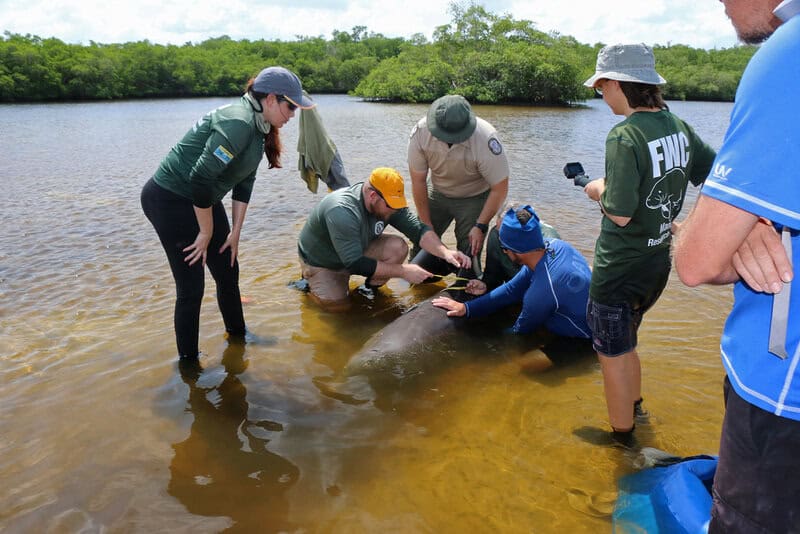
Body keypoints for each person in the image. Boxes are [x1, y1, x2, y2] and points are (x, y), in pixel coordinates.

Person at [674, 1, 800, 530]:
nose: (720, 3)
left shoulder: (789, 53)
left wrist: (729, 224)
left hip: (781, 395)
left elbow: (696, 262)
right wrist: (755, 218)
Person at [580, 44, 717, 444]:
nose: (600, 95)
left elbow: (619, 213)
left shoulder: (624, 136)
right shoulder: (677, 126)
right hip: (656, 265)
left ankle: (622, 440)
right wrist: (690, 225)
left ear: (616, 84)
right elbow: (715, 174)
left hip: (618, 269)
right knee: (627, 342)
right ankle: (636, 408)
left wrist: (596, 188)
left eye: (601, 87)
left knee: (611, 356)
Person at [141, 66, 314, 361]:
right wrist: (206, 232)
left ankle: (238, 338)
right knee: (191, 287)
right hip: (170, 199)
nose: (292, 115)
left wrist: (235, 233)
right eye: (291, 107)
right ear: (271, 99)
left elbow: (244, 183)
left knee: (228, 269)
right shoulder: (238, 122)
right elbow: (199, 178)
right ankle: (189, 365)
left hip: (202, 198)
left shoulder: (259, 127)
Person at [297, 167, 471, 311]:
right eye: (391, 205)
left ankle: (368, 290)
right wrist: (403, 271)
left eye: (397, 204)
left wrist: (446, 253)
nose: (394, 210)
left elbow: (418, 230)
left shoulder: (387, 203)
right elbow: (354, 263)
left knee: (398, 247)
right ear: (373, 196)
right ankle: (307, 284)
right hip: (324, 262)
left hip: (356, 248)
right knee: (338, 308)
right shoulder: (342, 210)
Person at [431, 205, 591, 340]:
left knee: (521, 355)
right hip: (592, 310)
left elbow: (521, 330)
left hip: (582, 337)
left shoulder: (541, 290)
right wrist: (466, 308)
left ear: (515, 250)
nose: (504, 252)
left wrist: (490, 340)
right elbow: (511, 290)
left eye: (504, 248)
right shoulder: (555, 245)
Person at [407, 94, 509, 265]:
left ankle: (466, 279)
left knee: (470, 249)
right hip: (437, 191)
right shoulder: (420, 132)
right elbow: (418, 181)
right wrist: (426, 224)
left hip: (474, 196)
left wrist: (481, 226)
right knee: (422, 239)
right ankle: (419, 278)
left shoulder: (486, 138)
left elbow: (500, 188)